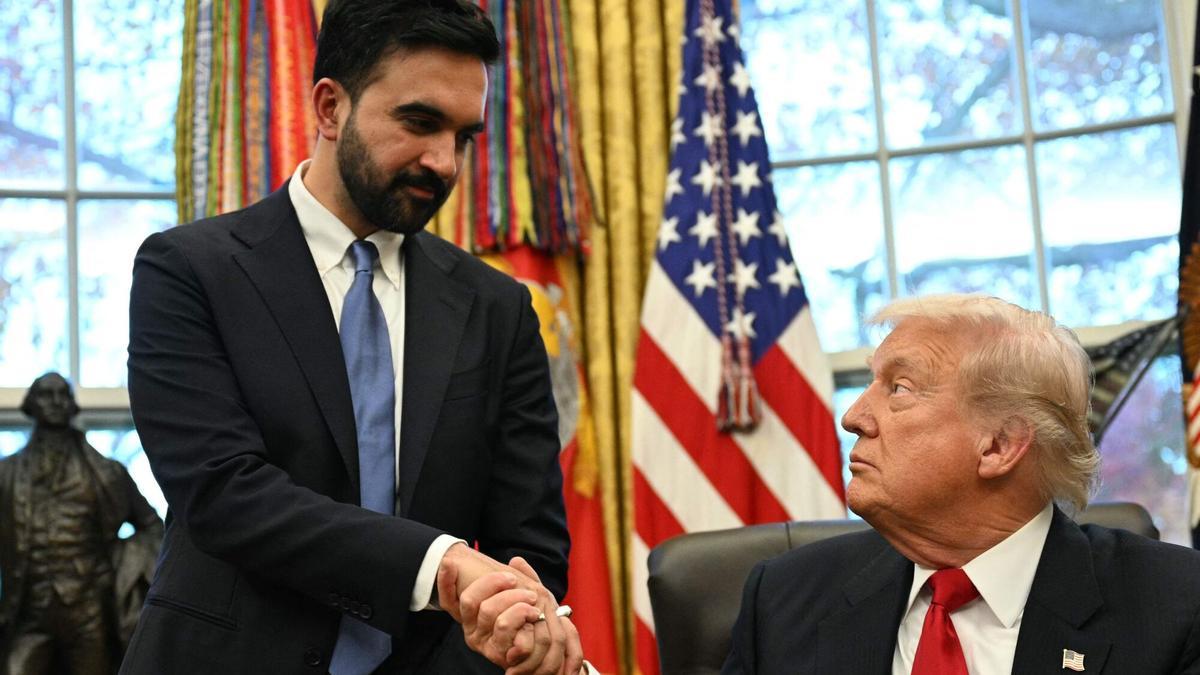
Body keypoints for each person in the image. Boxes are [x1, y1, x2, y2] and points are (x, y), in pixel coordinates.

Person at [121, 1, 583, 673]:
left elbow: (530, 554)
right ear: (330, 107)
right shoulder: (188, 270)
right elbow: (223, 495)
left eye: (464, 136)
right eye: (420, 122)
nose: (444, 162)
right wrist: (439, 564)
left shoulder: (498, 309)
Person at [722, 294, 1200, 675]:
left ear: (999, 445)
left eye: (899, 388)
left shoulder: (1177, 608)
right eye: (871, 383)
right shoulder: (782, 601)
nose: (853, 416)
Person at [0, 372, 163, 675]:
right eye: (46, 394)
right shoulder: (6, 474)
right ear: (30, 404)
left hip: (89, 609)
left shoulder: (106, 472)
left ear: (73, 405)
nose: (56, 402)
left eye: (63, 394)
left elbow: (152, 526)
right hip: (29, 612)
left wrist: (125, 566)